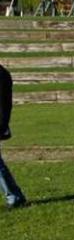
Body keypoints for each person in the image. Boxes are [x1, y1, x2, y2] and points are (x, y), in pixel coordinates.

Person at [0, 64, 26, 208]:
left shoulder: (1, 74)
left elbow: (3, 104)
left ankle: (14, 196)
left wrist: (2, 125)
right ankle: (15, 196)